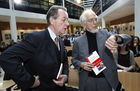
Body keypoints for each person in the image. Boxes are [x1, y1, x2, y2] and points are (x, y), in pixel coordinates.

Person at [0, 5, 69, 91]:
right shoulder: (35, 39)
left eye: (67, 20)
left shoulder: (60, 41)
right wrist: (30, 82)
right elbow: (6, 57)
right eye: (64, 19)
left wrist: (65, 76)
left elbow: (64, 61)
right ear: (52, 20)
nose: (67, 23)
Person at [72, 9, 131, 91]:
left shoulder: (105, 34)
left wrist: (116, 38)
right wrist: (81, 64)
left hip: (106, 79)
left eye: (95, 19)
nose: (95, 22)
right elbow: (74, 60)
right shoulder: (78, 41)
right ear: (84, 24)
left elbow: (127, 38)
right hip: (88, 80)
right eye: (91, 20)